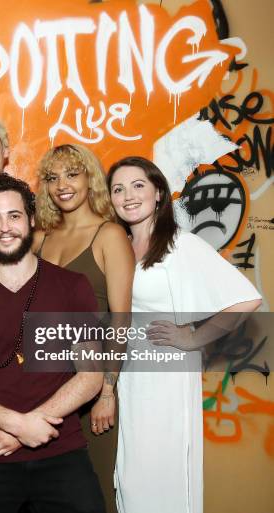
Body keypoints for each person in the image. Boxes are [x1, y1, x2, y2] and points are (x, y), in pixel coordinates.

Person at [0, 173, 106, 513]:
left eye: (14, 216)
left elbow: (90, 376)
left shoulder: (71, 287)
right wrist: (17, 426)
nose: (5, 227)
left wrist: (29, 426)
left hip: (60, 451)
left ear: (30, 219)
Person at [107, 156, 262, 513]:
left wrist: (192, 338)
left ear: (158, 192)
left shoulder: (181, 245)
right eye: (118, 189)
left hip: (166, 379)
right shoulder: (119, 246)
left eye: (138, 185)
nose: (128, 195)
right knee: (130, 478)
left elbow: (247, 300)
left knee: (164, 476)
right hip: (128, 375)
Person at [33, 144, 134, 513]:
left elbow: (122, 318)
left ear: (89, 178)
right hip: (44, 384)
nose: (62, 184)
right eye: (53, 177)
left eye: (72, 174)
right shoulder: (41, 237)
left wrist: (108, 390)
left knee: (92, 494)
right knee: (45, 493)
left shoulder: (109, 234)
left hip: (92, 386)